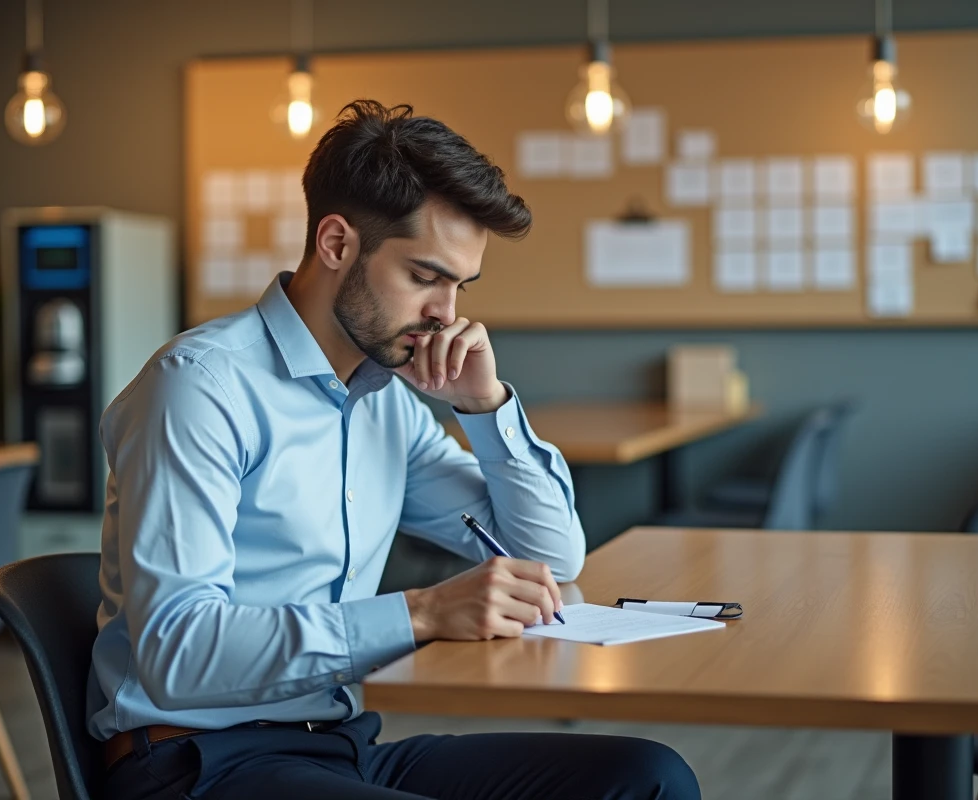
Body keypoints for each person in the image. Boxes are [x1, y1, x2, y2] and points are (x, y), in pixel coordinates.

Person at [90, 99, 701, 800]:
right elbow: (179, 653)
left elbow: (552, 560)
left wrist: (484, 406)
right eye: (425, 277)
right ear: (336, 243)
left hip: (339, 747)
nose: (448, 312)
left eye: (460, 285)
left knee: (647, 778)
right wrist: (423, 613)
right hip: (195, 763)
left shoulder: (383, 402)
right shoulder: (199, 388)